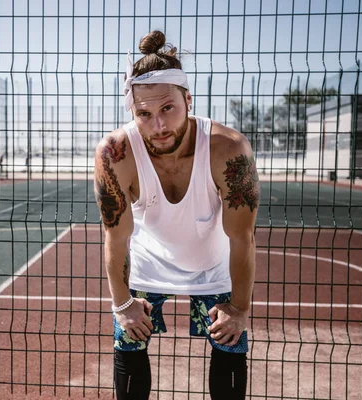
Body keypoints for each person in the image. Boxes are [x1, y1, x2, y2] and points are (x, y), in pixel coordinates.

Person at [93, 30, 259, 400]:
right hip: (147, 263)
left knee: (230, 341)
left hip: (212, 264)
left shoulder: (228, 149)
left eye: (168, 108)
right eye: (144, 114)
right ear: (132, 111)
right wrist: (123, 305)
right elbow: (116, 238)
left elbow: (241, 238)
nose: (159, 125)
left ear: (188, 99)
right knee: (128, 341)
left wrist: (239, 308)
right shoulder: (116, 153)